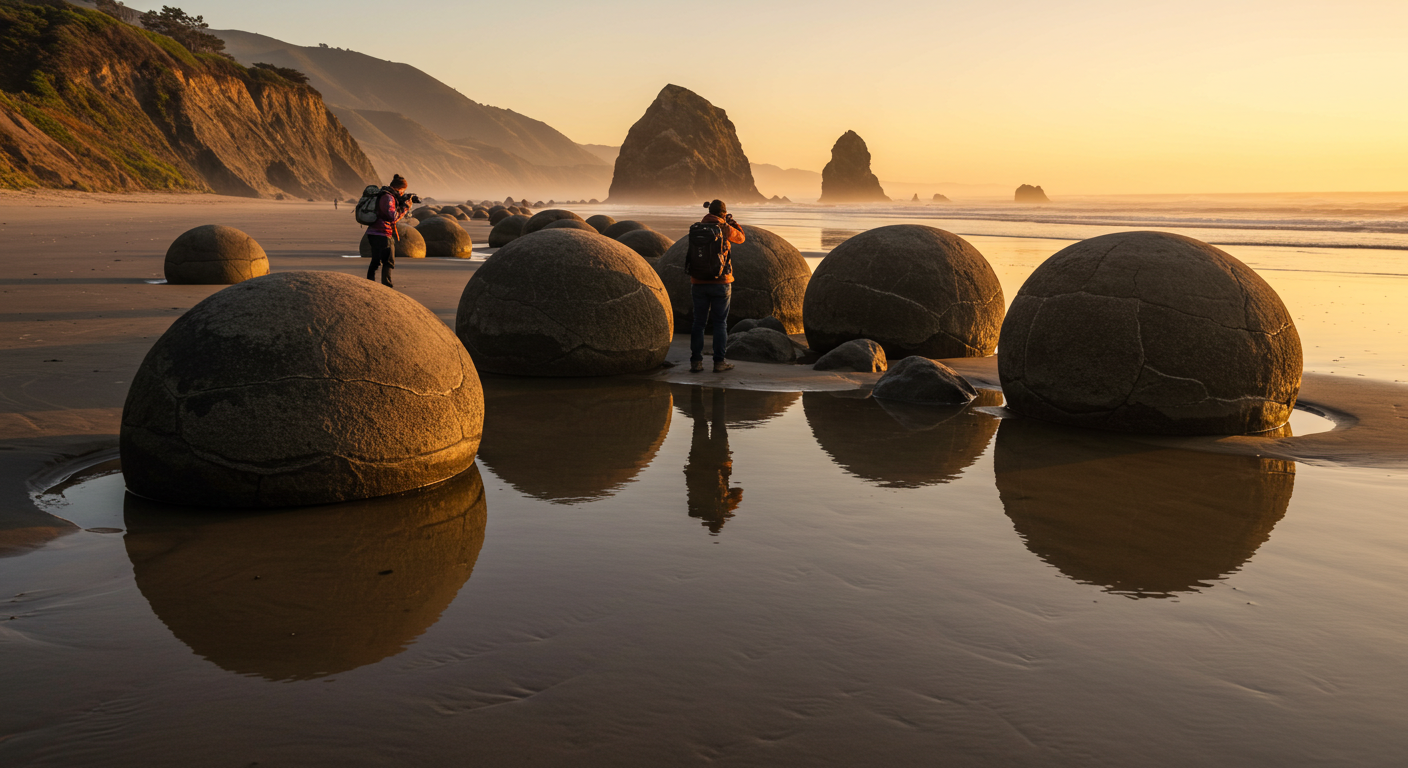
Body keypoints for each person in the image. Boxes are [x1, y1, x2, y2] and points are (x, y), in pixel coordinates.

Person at [691, 199, 745, 373]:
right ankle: (719, 362)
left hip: (698, 281)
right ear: (723, 213)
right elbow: (741, 237)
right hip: (721, 282)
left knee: (698, 323)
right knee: (720, 323)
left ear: (708, 212)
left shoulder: (697, 228)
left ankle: (696, 362)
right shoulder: (724, 228)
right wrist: (731, 221)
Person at [365, 174, 409, 288]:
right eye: (403, 190)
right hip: (383, 233)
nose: (403, 193)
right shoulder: (388, 197)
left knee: (375, 261)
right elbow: (392, 217)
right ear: (400, 188)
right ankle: (387, 287)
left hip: (373, 232)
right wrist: (405, 208)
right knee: (388, 262)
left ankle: (370, 284)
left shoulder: (383, 194)